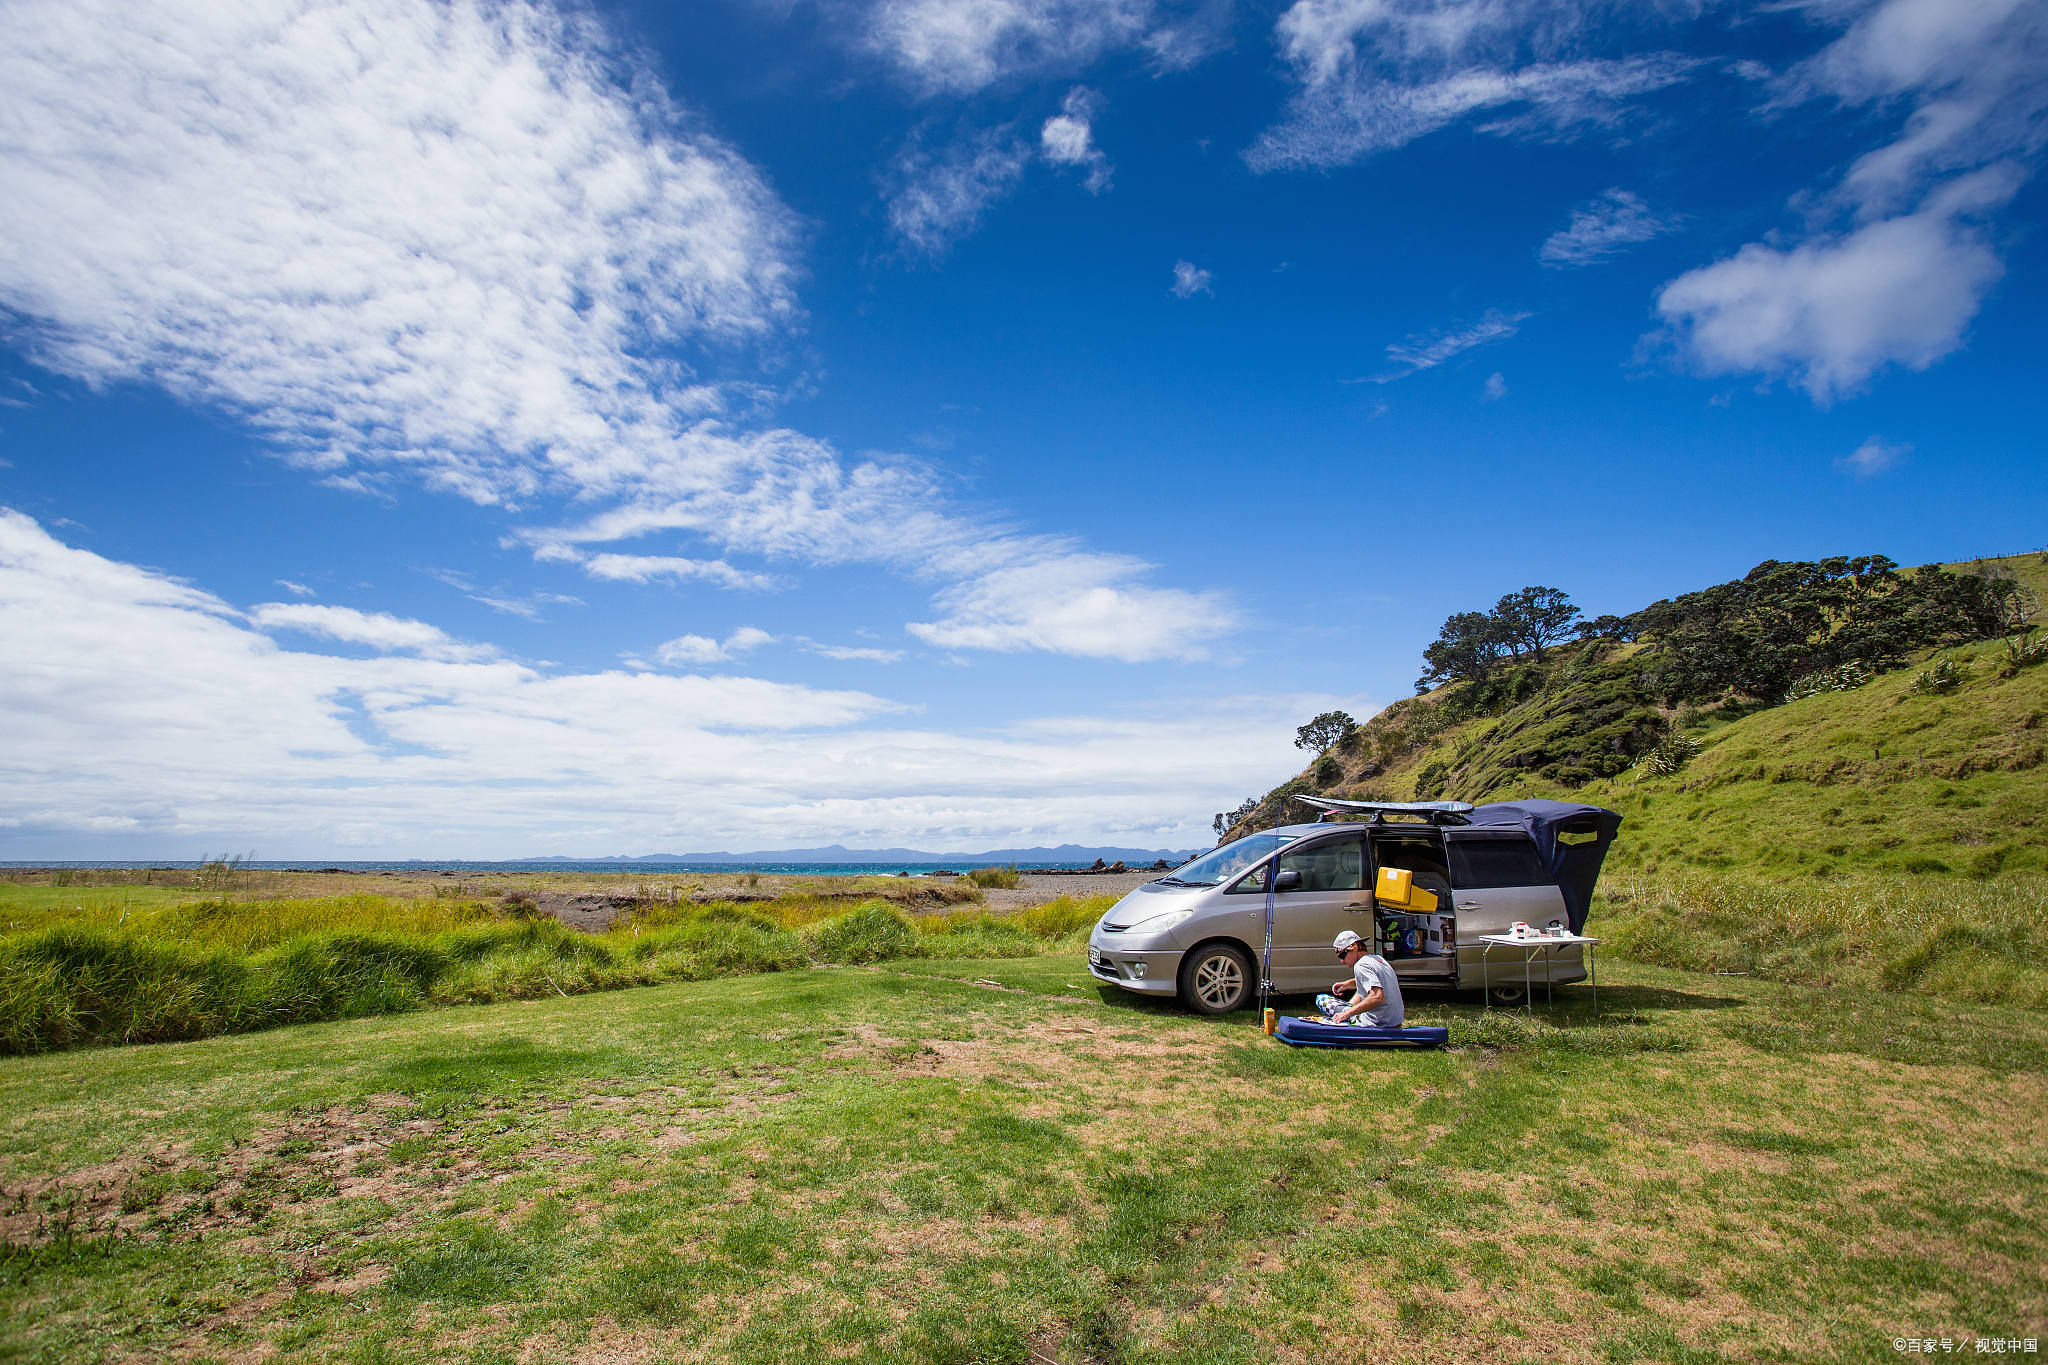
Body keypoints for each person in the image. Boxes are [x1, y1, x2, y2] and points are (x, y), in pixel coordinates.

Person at [1316, 929, 1404, 1027]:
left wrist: (1347, 1013)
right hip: (1394, 1023)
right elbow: (1371, 983)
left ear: (1355, 947)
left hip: (1375, 1023)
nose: (1342, 961)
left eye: (1342, 955)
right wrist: (1346, 985)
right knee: (1355, 1000)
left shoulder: (1361, 965)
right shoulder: (1378, 959)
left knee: (1321, 999)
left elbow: (1377, 996)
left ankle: (1346, 1019)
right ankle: (1346, 1014)